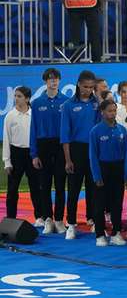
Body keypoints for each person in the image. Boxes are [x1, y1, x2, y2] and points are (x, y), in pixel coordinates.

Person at [60, 70, 100, 240]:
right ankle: (71, 223)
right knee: (74, 188)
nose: (88, 90)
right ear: (78, 84)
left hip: (93, 149)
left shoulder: (97, 104)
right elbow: (65, 134)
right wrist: (68, 159)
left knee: (94, 188)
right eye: (85, 86)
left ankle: (93, 219)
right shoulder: (68, 105)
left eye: (91, 87)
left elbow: (99, 129)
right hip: (75, 150)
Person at [29, 68, 67, 233]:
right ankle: (48, 219)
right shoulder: (37, 103)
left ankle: (59, 219)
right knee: (44, 185)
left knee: (60, 184)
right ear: (45, 81)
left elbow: (68, 129)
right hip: (43, 145)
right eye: (50, 79)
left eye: (56, 78)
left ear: (59, 80)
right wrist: (34, 153)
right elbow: (33, 129)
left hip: (61, 145)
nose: (53, 81)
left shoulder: (66, 101)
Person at [88, 98, 127, 246]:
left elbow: (126, 155)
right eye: (110, 111)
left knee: (117, 203)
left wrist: (126, 173)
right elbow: (93, 155)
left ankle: (116, 233)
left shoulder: (121, 130)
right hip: (102, 168)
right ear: (102, 112)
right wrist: (96, 175)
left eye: (114, 110)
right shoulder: (96, 131)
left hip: (118, 169)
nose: (113, 113)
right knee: (100, 204)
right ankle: (99, 234)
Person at [3, 86, 35, 221]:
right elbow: (6, 139)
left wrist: (37, 155)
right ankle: (11, 217)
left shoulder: (34, 115)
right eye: (15, 96)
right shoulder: (10, 116)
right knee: (12, 189)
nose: (16, 98)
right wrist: (7, 161)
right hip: (16, 153)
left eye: (19, 96)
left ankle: (40, 217)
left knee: (36, 187)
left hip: (32, 153)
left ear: (27, 99)